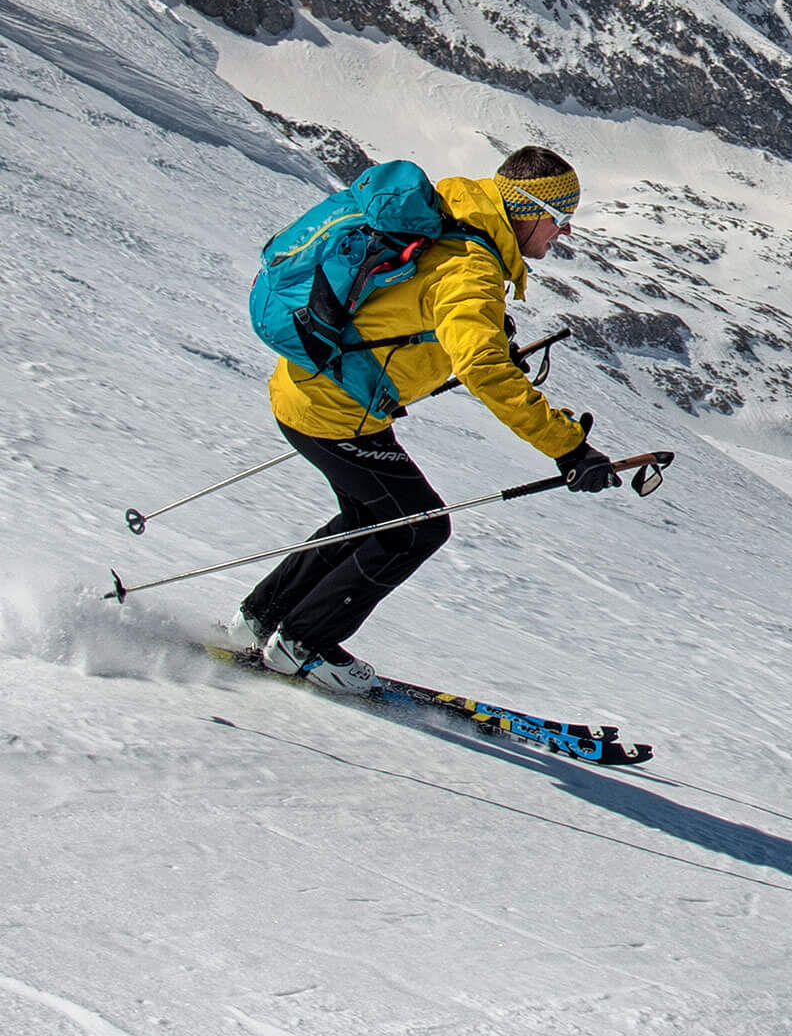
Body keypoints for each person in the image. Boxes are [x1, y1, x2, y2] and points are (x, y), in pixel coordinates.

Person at [226, 146, 619, 692]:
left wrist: (484, 335)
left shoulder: (458, 205)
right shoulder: (472, 270)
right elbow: (482, 367)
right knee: (417, 526)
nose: (565, 232)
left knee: (373, 517)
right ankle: (303, 644)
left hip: (312, 393)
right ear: (528, 210)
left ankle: (263, 618)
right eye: (560, 218)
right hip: (335, 412)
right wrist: (568, 447)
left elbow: (413, 305)